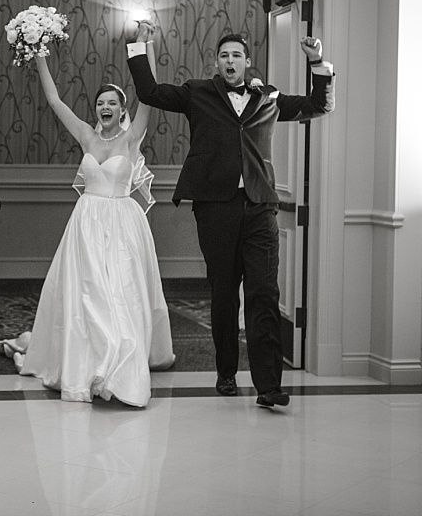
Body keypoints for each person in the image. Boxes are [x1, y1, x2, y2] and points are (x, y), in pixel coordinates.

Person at [125, 21, 334, 409]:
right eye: (224, 56)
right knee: (224, 292)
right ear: (217, 64)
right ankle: (225, 371)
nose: (230, 60)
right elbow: (149, 92)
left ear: (247, 62)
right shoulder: (197, 93)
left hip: (259, 206)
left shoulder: (268, 96)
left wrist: (317, 62)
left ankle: (269, 385)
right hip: (216, 207)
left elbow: (319, 105)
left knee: (264, 293)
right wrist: (140, 45)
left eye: (237, 55)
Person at [0, 51, 176, 407]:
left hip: (122, 225)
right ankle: (86, 363)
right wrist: (40, 54)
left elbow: (149, 93)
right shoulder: (86, 136)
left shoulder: (132, 138)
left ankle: (120, 367)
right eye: (100, 103)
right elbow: (53, 99)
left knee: (120, 295)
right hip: (87, 225)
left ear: (123, 111)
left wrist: (146, 48)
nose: (105, 107)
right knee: (87, 296)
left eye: (112, 103)